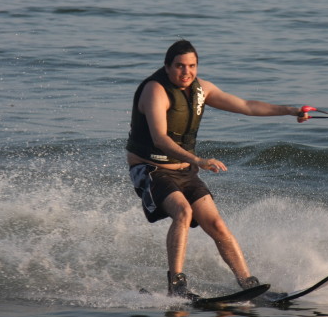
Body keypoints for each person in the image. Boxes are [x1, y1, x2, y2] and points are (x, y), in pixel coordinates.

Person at [127, 40, 308, 299]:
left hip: (184, 170)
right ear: (167, 67)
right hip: (150, 168)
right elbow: (160, 139)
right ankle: (176, 286)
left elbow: (247, 106)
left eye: (191, 66)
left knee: (216, 224)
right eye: (179, 66)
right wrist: (199, 160)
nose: (186, 72)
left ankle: (248, 283)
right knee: (183, 211)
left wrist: (291, 111)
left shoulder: (202, 89)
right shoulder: (155, 91)